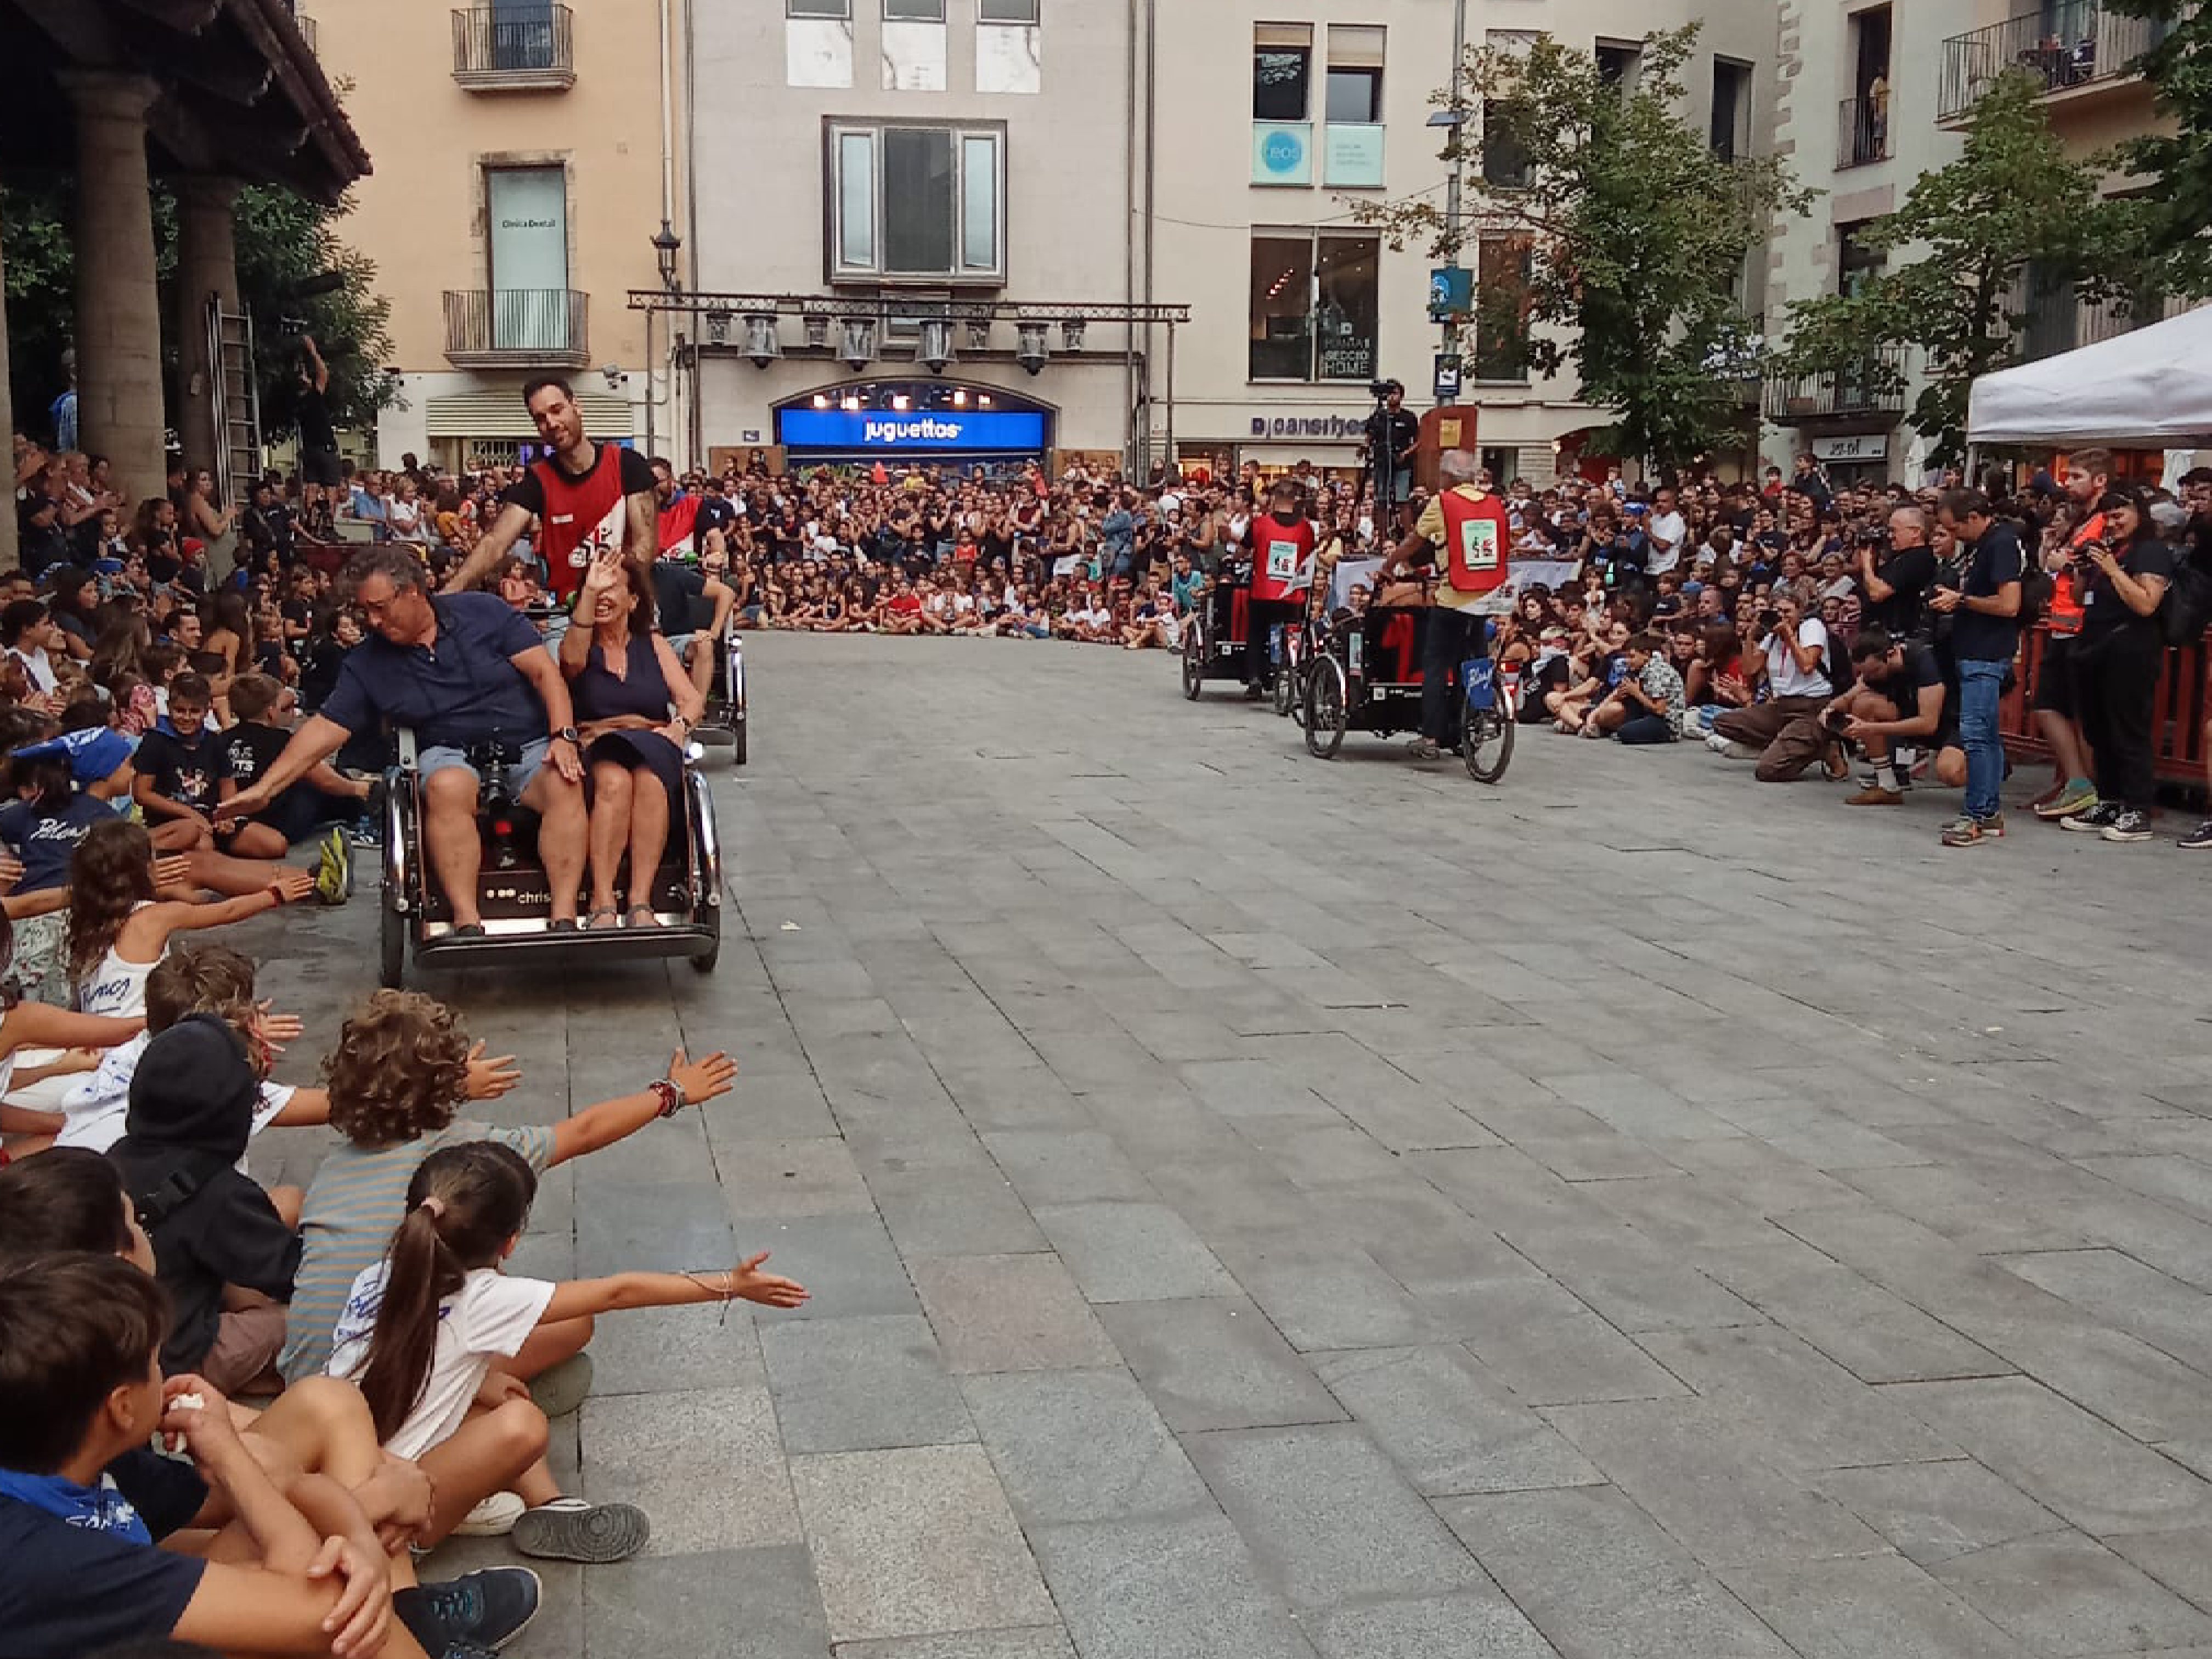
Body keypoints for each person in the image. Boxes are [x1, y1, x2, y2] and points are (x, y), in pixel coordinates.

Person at [0, 1164, 539, 1659]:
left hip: (129, 1595)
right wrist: (361, 1524)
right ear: (119, 1406)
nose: (147, 1228)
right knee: (340, 1598)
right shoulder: (48, 1556)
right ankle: (408, 1624)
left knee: (326, 1407)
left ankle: (406, 1617)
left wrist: (362, 1499)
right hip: (142, 1618)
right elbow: (322, 1608)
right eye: (136, 1220)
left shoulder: (58, 1420)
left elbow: (230, 1493)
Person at [328, 1141, 806, 1558]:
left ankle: (532, 1502)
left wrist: (485, 1382)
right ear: (510, 1243)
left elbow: (419, 1351)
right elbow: (620, 1292)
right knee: (523, 1424)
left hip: (343, 1473)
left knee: (556, 1337)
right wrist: (732, 1285)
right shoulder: (483, 1298)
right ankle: (500, 1509)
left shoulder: (382, 1273)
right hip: (390, 1518)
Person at [218, 546, 589, 935]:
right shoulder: (368, 662)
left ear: (414, 591)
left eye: (380, 608)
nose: (373, 621)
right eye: (366, 612)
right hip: (449, 752)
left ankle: (564, 917)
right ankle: (465, 921)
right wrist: (265, 788)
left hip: (526, 743)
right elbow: (323, 730)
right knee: (447, 787)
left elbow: (547, 674)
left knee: (566, 781)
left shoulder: (483, 612)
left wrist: (563, 735)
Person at [105, 1014, 301, 1393]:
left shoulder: (119, 1155)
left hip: (136, 1329)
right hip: (177, 1354)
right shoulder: (215, 1189)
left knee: (284, 1203)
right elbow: (291, 1273)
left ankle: (254, 1374)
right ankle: (244, 1380)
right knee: (295, 1320)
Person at [558, 552, 703, 929]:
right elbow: (571, 663)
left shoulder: (651, 644)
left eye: (612, 588)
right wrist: (589, 595)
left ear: (634, 600)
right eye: (596, 589)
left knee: (652, 782)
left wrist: (679, 726)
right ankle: (602, 900)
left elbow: (690, 699)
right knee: (613, 780)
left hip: (651, 740)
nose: (603, 596)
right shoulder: (577, 642)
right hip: (600, 741)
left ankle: (641, 901)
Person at [442, 378, 659, 610]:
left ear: (577, 406)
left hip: (627, 606)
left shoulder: (627, 464)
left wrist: (618, 597)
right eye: (540, 419)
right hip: (570, 611)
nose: (552, 423)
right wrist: (448, 593)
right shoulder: (537, 479)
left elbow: (644, 547)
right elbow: (495, 543)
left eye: (557, 410)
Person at [1372, 449, 1510, 763]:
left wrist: (1389, 565)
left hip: (1453, 597)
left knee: (1436, 664)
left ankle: (1432, 736)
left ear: (1446, 476)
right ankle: (1468, 730)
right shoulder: (1495, 504)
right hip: (1485, 597)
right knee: (1473, 663)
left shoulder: (1443, 503)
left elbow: (1413, 542)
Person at [2057, 487, 2172, 844]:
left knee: (2128, 730)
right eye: (2107, 516)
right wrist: (2081, 571)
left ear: (2140, 513)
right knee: (2098, 729)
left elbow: (2146, 604)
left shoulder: (2150, 551)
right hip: (2095, 644)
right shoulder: (2108, 550)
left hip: (2131, 649)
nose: (2113, 522)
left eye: (2120, 514)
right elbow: (2080, 599)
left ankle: (2138, 807)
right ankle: (2109, 799)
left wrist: (2111, 568)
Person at [1930, 489, 2024, 848]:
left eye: (1955, 528)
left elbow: (2009, 603)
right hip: (1972, 649)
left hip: (1986, 653)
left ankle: (1977, 814)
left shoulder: (2000, 543)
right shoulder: (1980, 545)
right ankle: (1989, 811)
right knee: (1987, 735)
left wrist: (1962, 600)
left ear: (1973, 518)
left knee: (1976, 737)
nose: (1952, 535)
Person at [1834, 627, 1960, 806]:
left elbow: (1928, 724)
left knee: (1950, 772)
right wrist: (1829, 712)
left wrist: (1869, 728)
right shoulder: (1876, 669)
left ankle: (1993, 768)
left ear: (1892, 654)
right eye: (1865, 674)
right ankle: (1888, 787)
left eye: (1875, 671)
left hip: (1952, 722)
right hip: (1912, 717)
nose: (1870, 678)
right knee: (1864, 704)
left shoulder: (1922, 660)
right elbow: (1849, 697)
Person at [1707, 592, 1835, 766]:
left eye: (1787, 611)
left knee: (1768, 771)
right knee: (1722, 722)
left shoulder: (1812, 627)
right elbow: (1749, 669)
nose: (1782, 616)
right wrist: (1749, 636)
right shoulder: (1773, 635)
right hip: (1781, 706)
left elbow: (1807, 666)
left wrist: (1788, 636)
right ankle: (1783, 746)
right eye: (1778, 611)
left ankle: (1822, 748)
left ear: (1800, 612)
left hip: (1810, 705)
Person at [1241, 479, 1315, 699]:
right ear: (1294, 500)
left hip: (1264, 593)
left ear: (1274, 499)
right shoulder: (1306, 528)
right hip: (1294, 594)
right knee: (1294, 631)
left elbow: (1243, 551)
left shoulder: (1260, 524)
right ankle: (1293, 668)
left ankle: (1254, 678)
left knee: (1256, 634)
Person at [294, 336, 345, 518]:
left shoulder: (298, 402)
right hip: (325, 448)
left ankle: (311, 520)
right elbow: (324, 373)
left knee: (312, 486)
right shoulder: (313, 398)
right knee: (330, 487)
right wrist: (313, 351)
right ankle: (328, 522)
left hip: (309, 449)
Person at [1362, 382, 1419, 524]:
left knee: (1402, 500)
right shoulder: (1378, 417)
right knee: (1380, 500)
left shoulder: (1409, 417)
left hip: (1402, 463)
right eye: (1390, 393)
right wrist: (1365, 447)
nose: (1392, 397)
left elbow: (1419, 441)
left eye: (1395, 393)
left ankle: (1407, 534)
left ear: (1401, 396)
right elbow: (1369, 437)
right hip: (1381, 462)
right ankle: (1380, 533)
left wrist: (1406, 453)